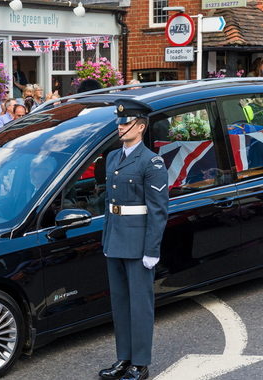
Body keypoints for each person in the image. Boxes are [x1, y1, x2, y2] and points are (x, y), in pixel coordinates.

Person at [99, 99, 169, 380]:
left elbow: (158, 210)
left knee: (140, 304)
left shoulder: (151, 162)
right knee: (120, 303)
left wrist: (152, 249)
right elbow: (109, 204)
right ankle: (123, 358)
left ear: (140, 127)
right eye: (119, 122)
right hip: (115, 239)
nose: (120, 127)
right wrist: (107, 238)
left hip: (139, 243)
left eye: (125, 123)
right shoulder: (113, 158)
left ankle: (140, 363)